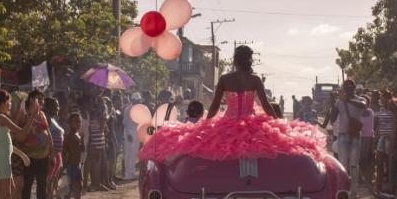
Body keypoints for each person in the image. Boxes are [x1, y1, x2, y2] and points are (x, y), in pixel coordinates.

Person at [139, 46, 327, 164]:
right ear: (249, 61)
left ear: (235, 61)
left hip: (227, 121)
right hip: (252, 122)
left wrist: (203, 125)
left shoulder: (225, 78)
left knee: (221, 153)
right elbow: (267, 106)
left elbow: (213, 107)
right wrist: (280, 124)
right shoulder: (254, 79)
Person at [322, 79, 366, 188]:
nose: (348, 88)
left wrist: (347, 100)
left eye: (350, 87)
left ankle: (354, 189)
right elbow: (333, 119)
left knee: (354, 164)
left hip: (355, 134)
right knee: (343, 164)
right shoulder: (339, 101)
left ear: (354, 88)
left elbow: (363, 105)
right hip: (343, 134)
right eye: (346, 87)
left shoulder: (360, 99)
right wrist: (333, 104)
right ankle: (343, 187)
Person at [18, 93, 52, 199]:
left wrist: (51, 151)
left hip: (43, 156)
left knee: (42, 185)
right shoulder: (24, 114)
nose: (41, 102)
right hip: (29, 156)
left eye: (41, 99)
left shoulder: (42, 114)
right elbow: (20, 132)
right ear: (31, 100)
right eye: (38, 99)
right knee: (27, 186)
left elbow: (47, 132)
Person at [63, 111, 87, 199]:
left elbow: (83, 149)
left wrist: (82, 139)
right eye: (76, 122)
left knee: (79, 186)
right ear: (70, 123)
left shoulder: (77, 135)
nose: (78, 124)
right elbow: (64, 151)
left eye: (79, 122)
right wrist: (63, 166)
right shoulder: (68, 136)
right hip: (70, 165)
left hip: (77, 164)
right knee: (68, 188)